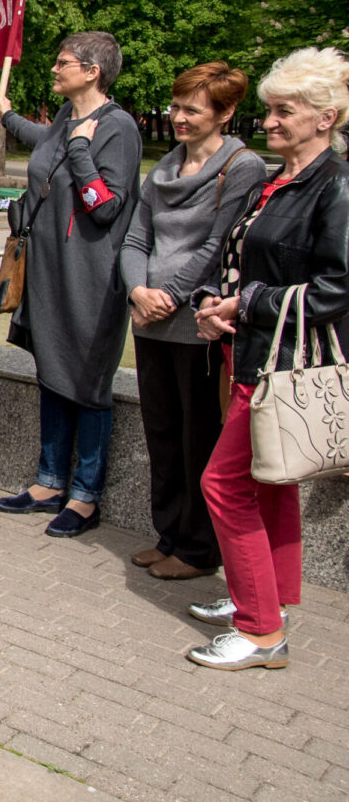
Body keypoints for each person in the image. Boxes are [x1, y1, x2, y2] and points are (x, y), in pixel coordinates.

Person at [185, 46, 349, 671]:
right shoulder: (286, 180)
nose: (270, 122)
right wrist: (223, 305)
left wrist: (246, 302)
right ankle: (266, 600)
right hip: (259, 352)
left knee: (223, 485)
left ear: (324, 117)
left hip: (286, 363)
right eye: (269, 111)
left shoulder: (334, 187)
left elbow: (337, 289)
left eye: (284, 112)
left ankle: (260, 631)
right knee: (268, 483)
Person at [0, 32, 142, 537]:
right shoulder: (65, 118)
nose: (54, 69)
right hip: (47, 270)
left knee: (88, 384)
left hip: (89, 278)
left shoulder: (117, 127)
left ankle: (85, 495)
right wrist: (7, 116)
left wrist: (80, 151)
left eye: (63, 63)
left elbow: (107, 204)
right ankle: (49, 481)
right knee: (52, 373)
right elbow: (44, 144)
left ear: (93, 70)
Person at [119, 63, 265, 580]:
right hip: (149, 319)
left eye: (191, 110)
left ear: (224, 113)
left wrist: (171, 295)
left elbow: (218, 244)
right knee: (161, 432)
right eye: (176, 107)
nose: (178, 117)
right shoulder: (163, 168)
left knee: (197, 436)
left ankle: (199, 549)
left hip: (195, 327)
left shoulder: (242, 167)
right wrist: (138, 289)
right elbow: (137, 239)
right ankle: (169, 535)